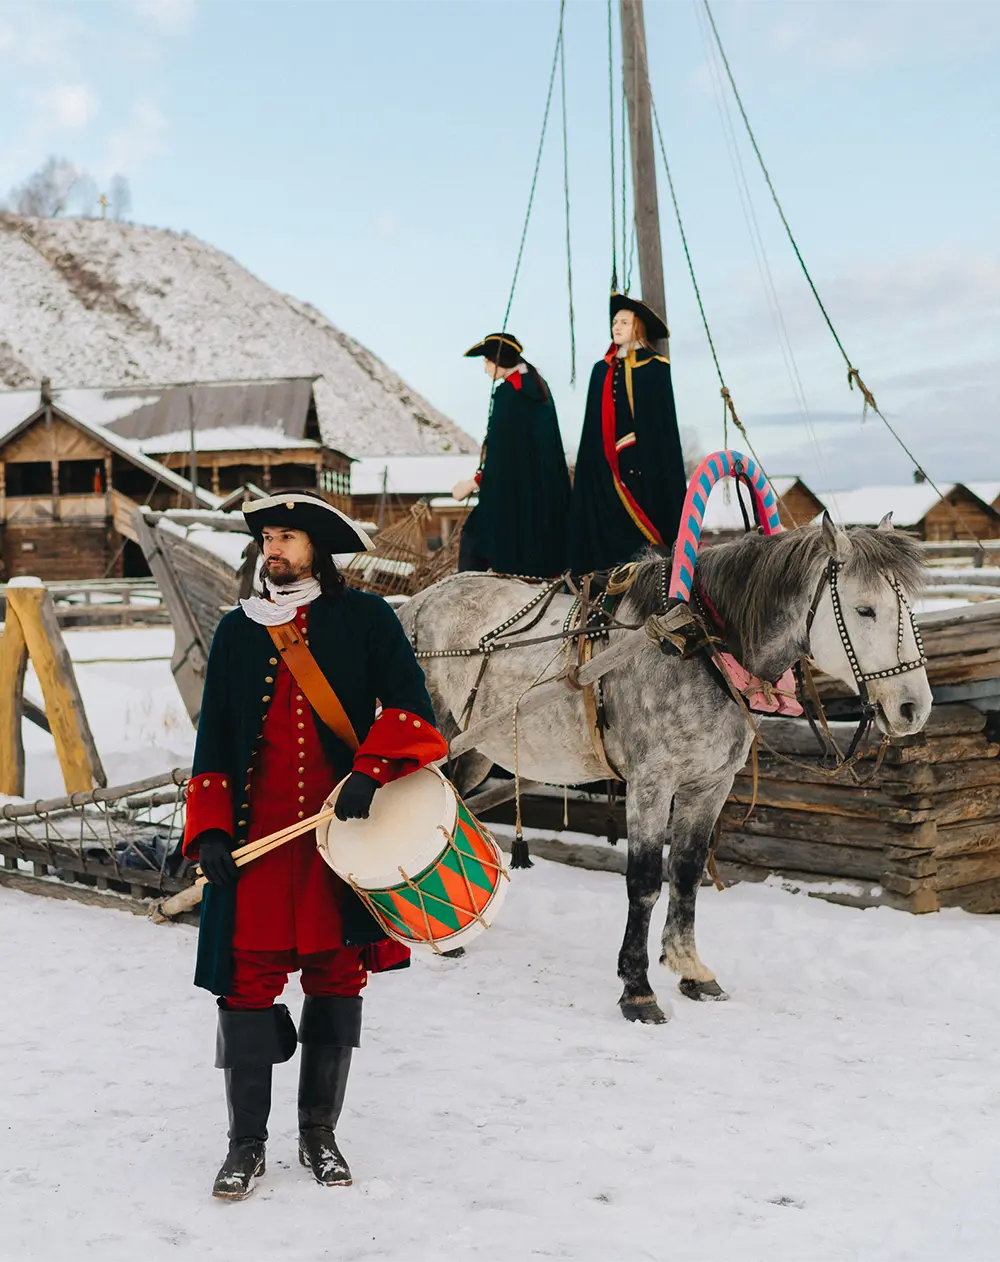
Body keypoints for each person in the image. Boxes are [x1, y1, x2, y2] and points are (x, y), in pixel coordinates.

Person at [184, 490, 447, 1201]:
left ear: (317, 549)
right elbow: (215, 738)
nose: (272, 549)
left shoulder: (366, 618)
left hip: (342, 843)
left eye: (287, 537)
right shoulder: (238, 631)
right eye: (267, 537)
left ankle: (319, 1135)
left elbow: (411, 707)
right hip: (261, 847)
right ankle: (245, 1145)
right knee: (245, 988)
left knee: (336, 981)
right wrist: (211, 830)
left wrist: (371, 770)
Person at [567, 294, 688, 576]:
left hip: (642, 463)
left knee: (642, 521)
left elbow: (661, 426)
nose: (617, 327)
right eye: (614, 322)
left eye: (624, 321)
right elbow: (593, 424)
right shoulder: (601, 369)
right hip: (605, 462)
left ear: (638, 326)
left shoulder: (655, 366)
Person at [452, 332, 571, 578]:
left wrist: (474, 482)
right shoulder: (537, 387)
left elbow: (502, 456)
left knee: (474, 538)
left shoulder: (510, 393)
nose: (486, 369)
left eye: (487, 361)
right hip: (539, 494)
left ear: (500, 360)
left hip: (510, 493)